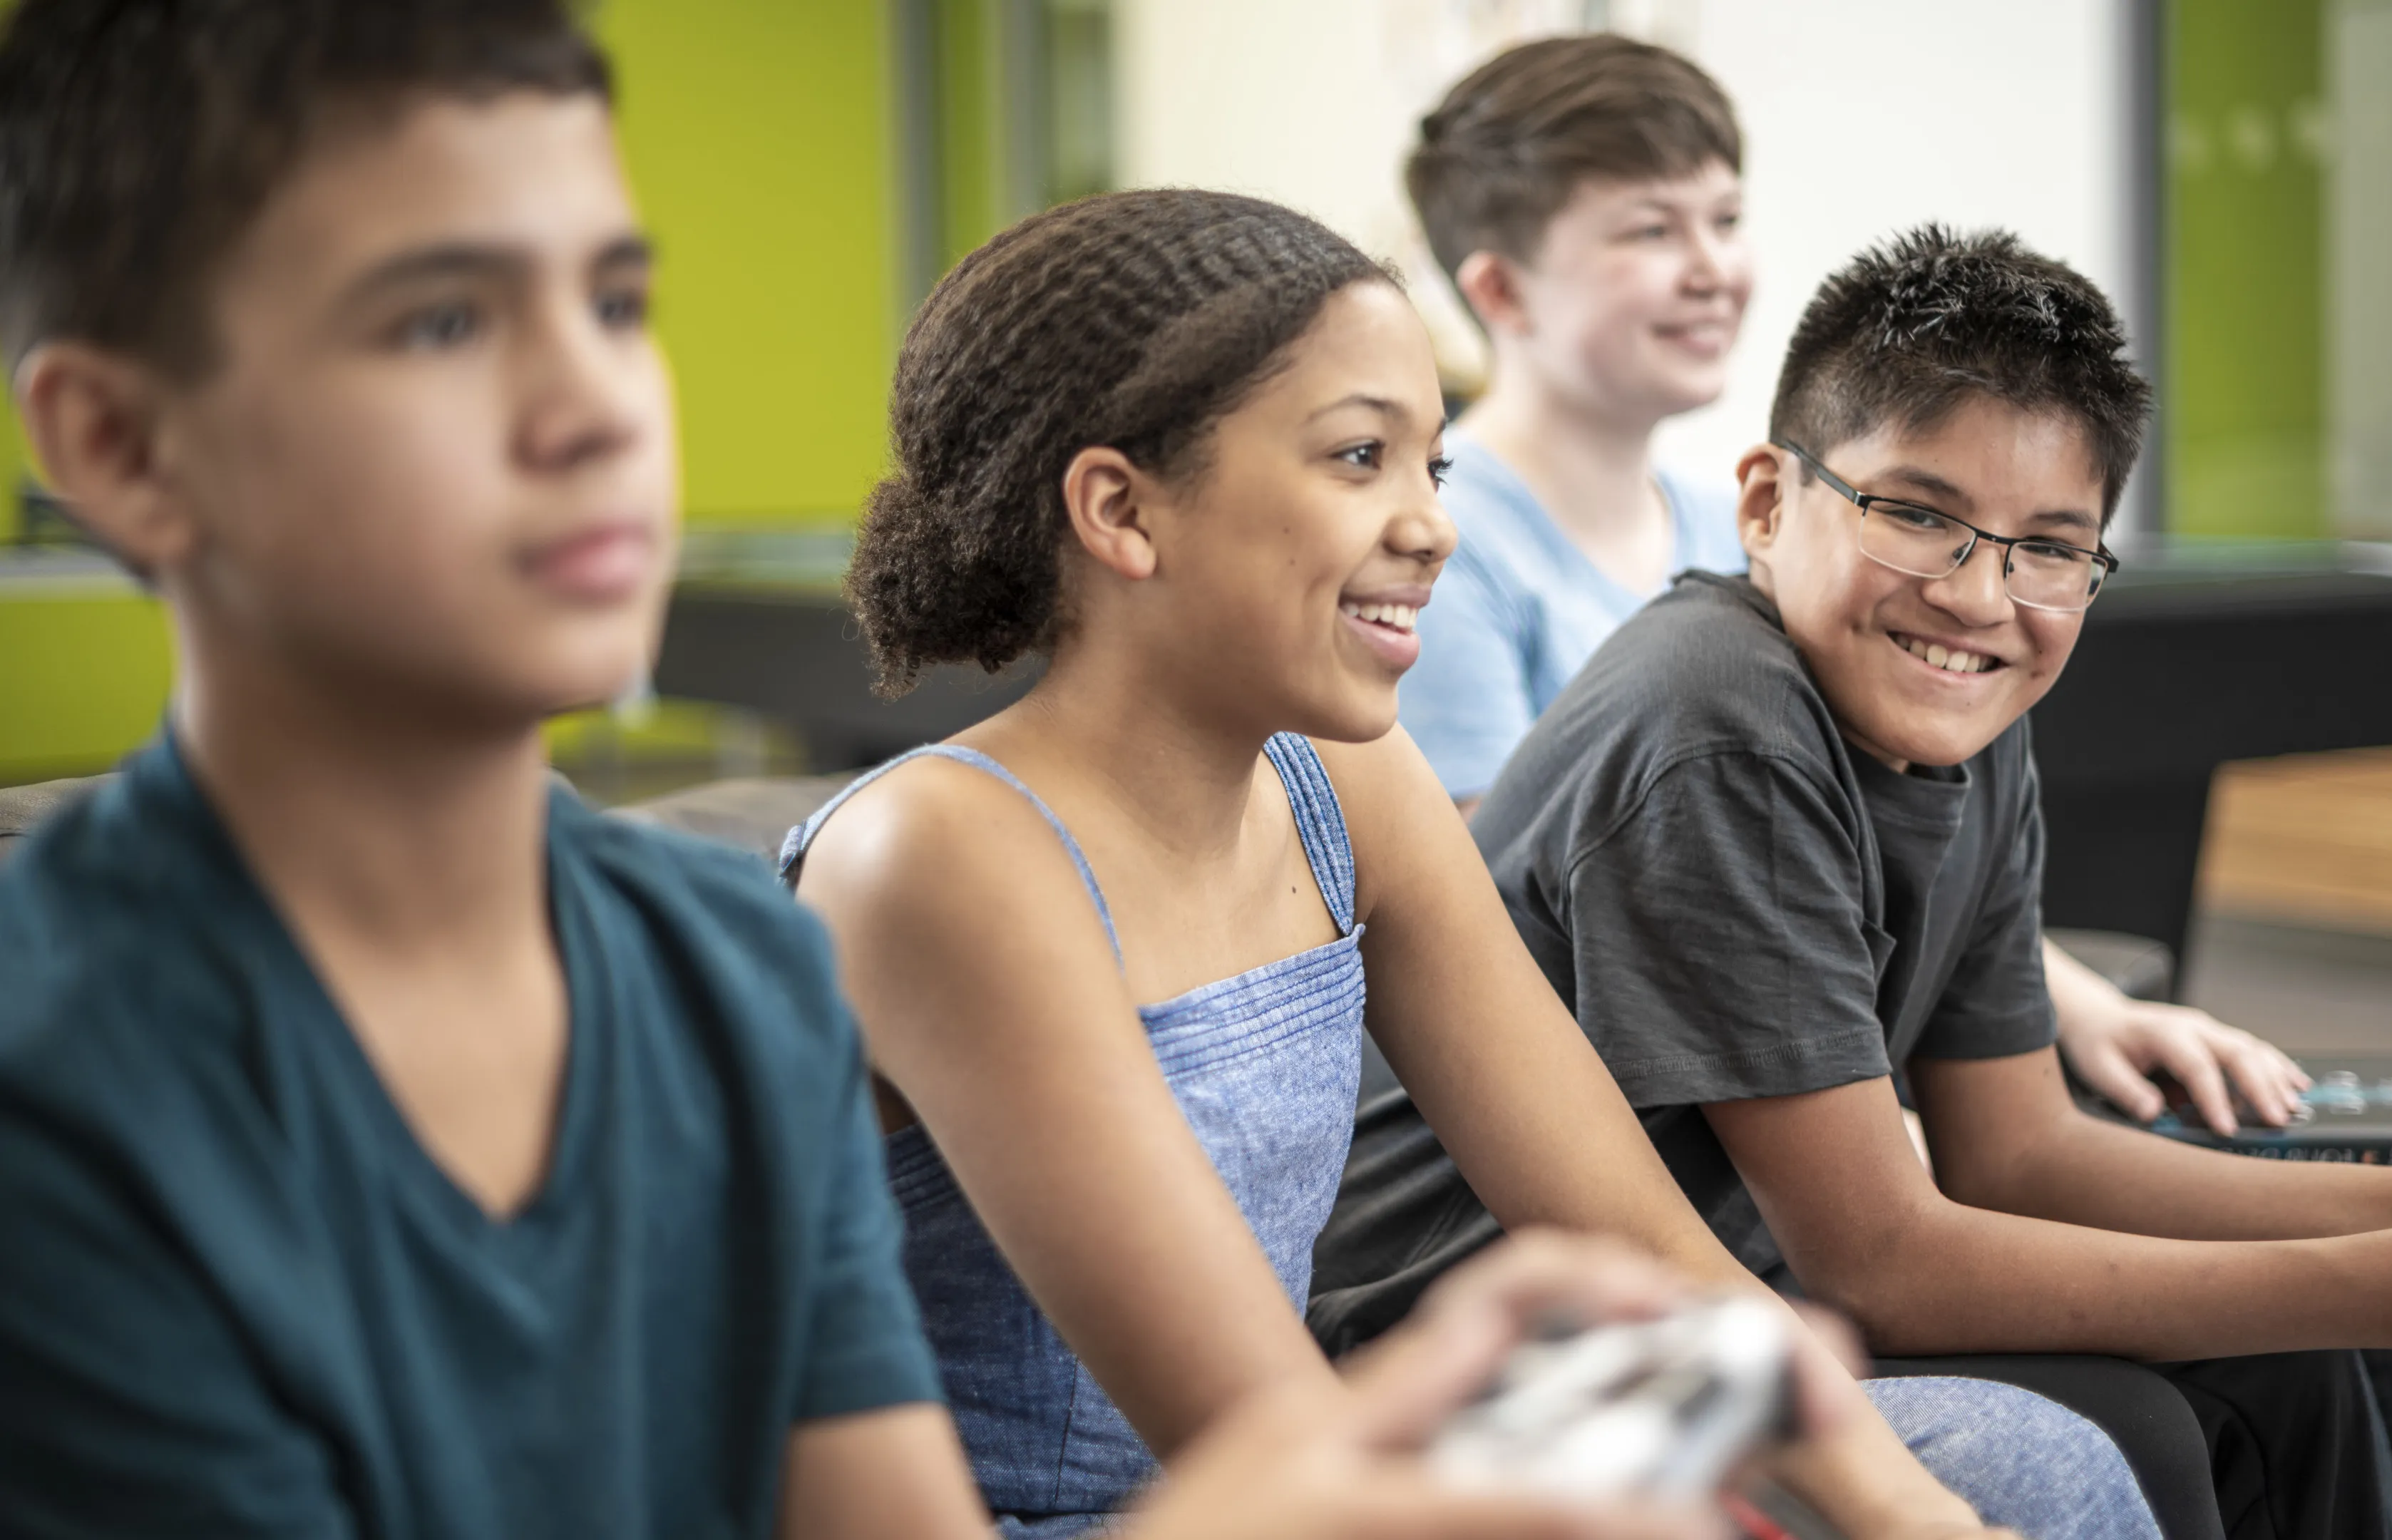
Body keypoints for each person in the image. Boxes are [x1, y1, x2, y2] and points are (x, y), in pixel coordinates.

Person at [0, 7, 1780, 1539]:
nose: (599, 407)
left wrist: (1415, 1448)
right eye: (442, 324)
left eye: (615, 302)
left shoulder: (720, 966)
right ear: (117, 446)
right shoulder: (67, 1071)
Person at [1313, 225, 2392, 1540]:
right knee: (2144, 1429)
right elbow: (1879, 1256)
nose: (1980, 597)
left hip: (1748, 1288)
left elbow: (2021, 1154)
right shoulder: (1713, 718)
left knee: (2332, 1346)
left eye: (2050, 549)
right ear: (1762, 502)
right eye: (1916, 515)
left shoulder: (1967, 709)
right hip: (1497, 1349)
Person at [784, 186, 2154, 1539]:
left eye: (1432, 466)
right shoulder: (942, 857)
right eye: (1356, 459)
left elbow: (1653, 1250)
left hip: (1317, 1453)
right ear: (1123, 512)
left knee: (2031, 1468)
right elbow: (1267, 1450)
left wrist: (1910, 1512)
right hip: (1191, 1502)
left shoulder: (1347, 784)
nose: (1435, 526)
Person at [1395, 34, 2306, 1146]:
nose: (1711, 268)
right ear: (1500, 287)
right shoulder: (1445, 549)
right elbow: (1497, 920)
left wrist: (2077, 1006)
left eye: (1724, 221)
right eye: (1650, 230)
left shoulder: (1713, 518)